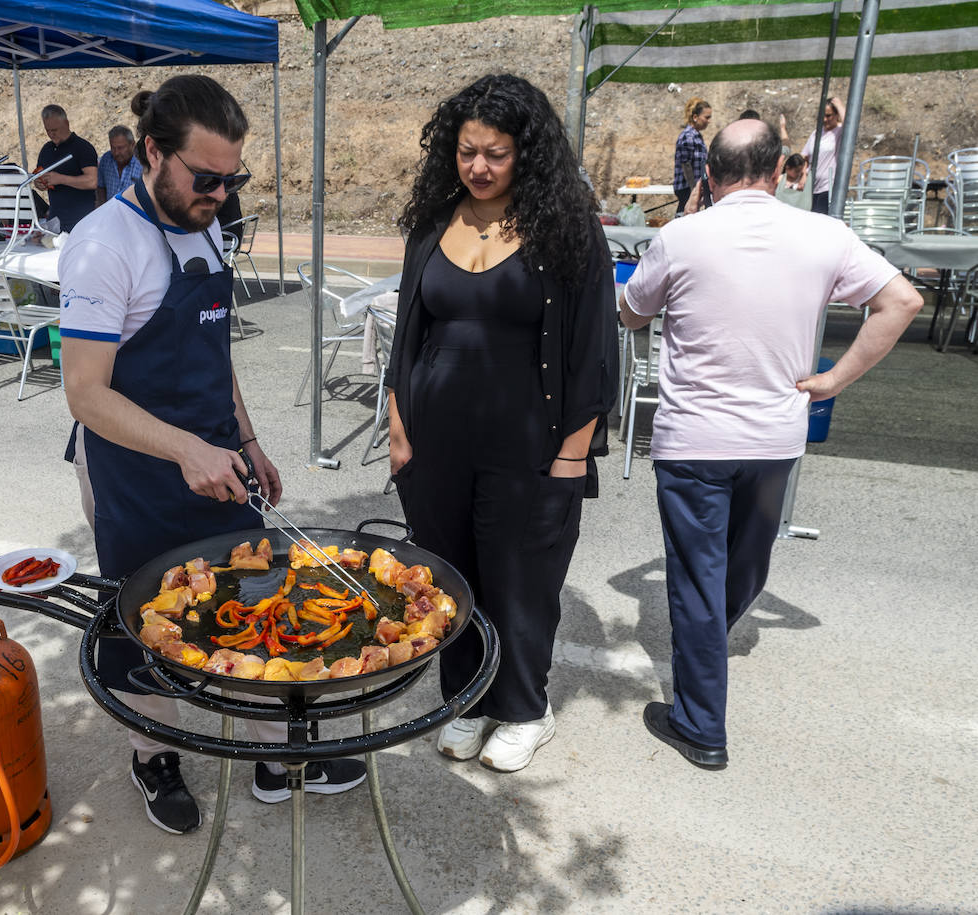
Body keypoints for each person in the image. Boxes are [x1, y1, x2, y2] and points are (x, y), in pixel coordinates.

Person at [56, 75, 365, 834]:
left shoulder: (206, 223)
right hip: (134, 470)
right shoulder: (101, 245)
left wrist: (247, 440)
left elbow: (212, 352)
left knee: (254, 598)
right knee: (144, 620)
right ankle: (153, 754)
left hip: (216, 456)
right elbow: (85, 393)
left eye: (233, 180)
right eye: (206, 179)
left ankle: (273, 754)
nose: (221, 196)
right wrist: (186, 449)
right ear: (152, 153)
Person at [619, 119, 922, 769]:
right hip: (774, 438)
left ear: (709, 174)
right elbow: (902, 301)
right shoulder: (824, 234)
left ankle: (701, 726)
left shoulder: (682, 236)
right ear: (781, 170)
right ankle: (706, 652)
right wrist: (835, 379)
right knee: (745, 565)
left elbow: (631, 312)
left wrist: (687, 229)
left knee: (699, 578)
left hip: (694, 438)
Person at [385, 74, 618, 773]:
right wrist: (398, 431)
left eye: (496, 153)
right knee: (448, 578)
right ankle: (466, 699)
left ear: (527, 153)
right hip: (435, 445)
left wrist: (573, 456)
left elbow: (593, 350)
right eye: (467, 152)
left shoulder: (566, 228)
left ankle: (524, 709)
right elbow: (407, 335)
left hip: (529, 446)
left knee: (521, 582)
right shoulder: (434, 222)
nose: (479, 167)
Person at [34, 105, 98, 232]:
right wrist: (39, 183)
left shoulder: (83, 148)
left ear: (66, 123)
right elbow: (38, 177)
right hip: (55, 221)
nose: (51, 134)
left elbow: (93, 181)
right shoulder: (46, 150)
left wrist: (61, 179)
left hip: (82, 221)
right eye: (48, 130)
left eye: (55, 130)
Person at [800, 96, 846, 214]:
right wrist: (803, 176)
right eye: (822, 116)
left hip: (828, 187)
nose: (825, 119)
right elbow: (805, 157)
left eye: (828, 115)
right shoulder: (816, 133)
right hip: (811, 187)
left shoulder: (840, 132)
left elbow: (851, 124)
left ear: (836, 115)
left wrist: (839, 105)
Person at [673, 98, 711, 215]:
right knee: (685, 215)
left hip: (693, 187)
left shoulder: (696, 136)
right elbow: (686, 165)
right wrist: (693, 189)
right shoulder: (688, 136)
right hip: (687, 188)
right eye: (706, 117)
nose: (709, 121)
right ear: (695, 117)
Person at [94, 125, 143, 205]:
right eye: (113, 148)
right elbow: (101, 186)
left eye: (120, 148)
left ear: (132, 144)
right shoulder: (106, 160)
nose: (116, 152)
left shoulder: (142, 164)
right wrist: (104, 206)